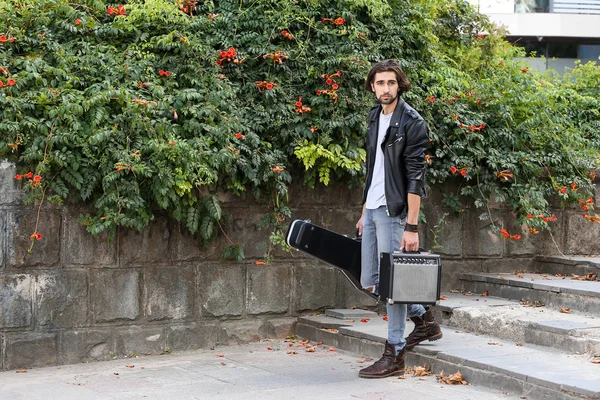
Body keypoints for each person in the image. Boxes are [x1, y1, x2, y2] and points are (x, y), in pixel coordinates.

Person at [355, 59, 442, 379]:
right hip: (375, 208)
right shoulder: (374, 116)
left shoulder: (412, 122)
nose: (385, 88)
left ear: (399, 84)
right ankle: (424, 320)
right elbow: (373, 168)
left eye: (391, 82)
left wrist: (412, 226)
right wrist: (365, 209)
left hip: (395, 213)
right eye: (379, 83)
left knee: (392, 286)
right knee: (370, 281)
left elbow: (416, 178)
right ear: (372, 86)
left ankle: (394, 354)